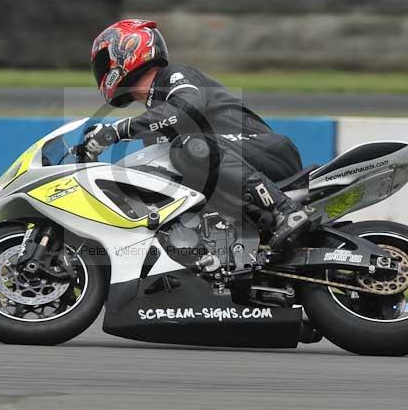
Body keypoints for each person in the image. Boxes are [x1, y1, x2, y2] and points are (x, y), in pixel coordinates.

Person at [83, 19, 312, 252]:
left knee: (188, 145)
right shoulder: (155, 120)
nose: (101, 71)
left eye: (104, 62)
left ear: (128, 49)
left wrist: (118, 130)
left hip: (263, 148)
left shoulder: (174, 75)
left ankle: (285, 210)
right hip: (238, 159)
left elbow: (187, 108)